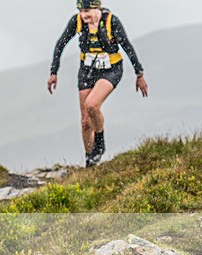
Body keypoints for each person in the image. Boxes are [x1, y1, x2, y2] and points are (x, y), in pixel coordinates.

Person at [47, 0, 149, 167]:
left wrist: (139, 74)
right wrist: (54, 72)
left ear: (97, 9)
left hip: (111, 70)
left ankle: (99, 144)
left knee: (92, 105)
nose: (83, 15)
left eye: (87, 11)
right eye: (81, 11)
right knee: (85, 122)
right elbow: (60, 43)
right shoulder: (77, 21)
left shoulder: (111, 21)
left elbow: (127, 46)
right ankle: (90, 161)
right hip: (87, 71)